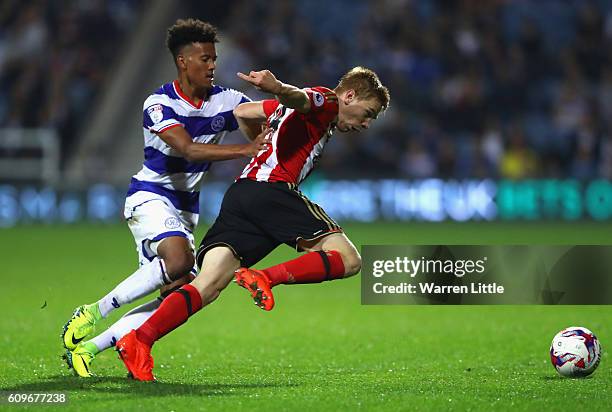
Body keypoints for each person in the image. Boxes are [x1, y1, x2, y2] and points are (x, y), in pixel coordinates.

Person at [115, 66, 390, 381]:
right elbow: (301, 97)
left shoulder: (300, 115)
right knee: (349, 259)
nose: (365, 124)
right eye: (367, 114)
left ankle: (139, 340)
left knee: (207, 285)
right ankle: (265, 277)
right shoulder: (327, 101)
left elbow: (244, 111)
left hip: (241, 195)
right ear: (350, 96)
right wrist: (278, 86)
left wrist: (260, 142)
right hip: (270, 191)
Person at [61, 18, 268, 377]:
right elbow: (186, 148)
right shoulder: (159, 103)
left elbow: (259, 116)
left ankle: (91, 350)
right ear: (183, 61)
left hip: (187, 209)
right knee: (178, 261)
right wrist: (246, 149)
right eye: (204, 58)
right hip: (151, 195)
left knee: (177, 291)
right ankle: (93, 312)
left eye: (214, 58)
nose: (212, 65)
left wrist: (277, 102)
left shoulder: (228, 99)